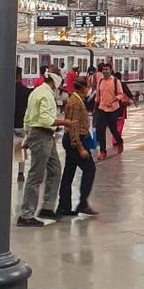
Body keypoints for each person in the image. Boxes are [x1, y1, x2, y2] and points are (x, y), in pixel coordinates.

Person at [18, 68, 67, 227]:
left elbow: (27, 115)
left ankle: (46, 207)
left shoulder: (37, 92)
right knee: (36, 175)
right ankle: (26, 215)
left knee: (55, 169)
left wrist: (27, 133)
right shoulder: (45, 94)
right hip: (41, 134)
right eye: (60, 77)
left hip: (43, 135)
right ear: (55, 79)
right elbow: (46, 120)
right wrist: (65, 123)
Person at [56, 76, 97, 218]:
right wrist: (80, 148)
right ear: (83, 87)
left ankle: (64, 206)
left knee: (69, 173)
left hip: (74, 140)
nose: (88, 90)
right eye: (88, 87)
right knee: (90, 169)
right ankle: (82, 203)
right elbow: (72, 126)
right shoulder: (75, 103)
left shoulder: (77, 100)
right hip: (75, 141)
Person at [95, 64, 124, 159]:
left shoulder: (116, 81)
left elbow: (121, 94)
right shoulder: (100, 81)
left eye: (107, 69)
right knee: (100, 130)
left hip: (113, 109)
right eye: (103, 69)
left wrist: (115, 99)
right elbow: (98, 95)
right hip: (102, 108)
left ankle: (119, 141)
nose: (105, 71)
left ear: (111, 70)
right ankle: (103, 151)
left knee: (113, 129)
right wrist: (96, 104)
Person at [14, 66, 31, 183]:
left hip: (4, 125)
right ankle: (20, 173)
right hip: (21, 123)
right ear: (20, 76)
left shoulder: (4, 89)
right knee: (20, 149)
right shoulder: (25, 91)